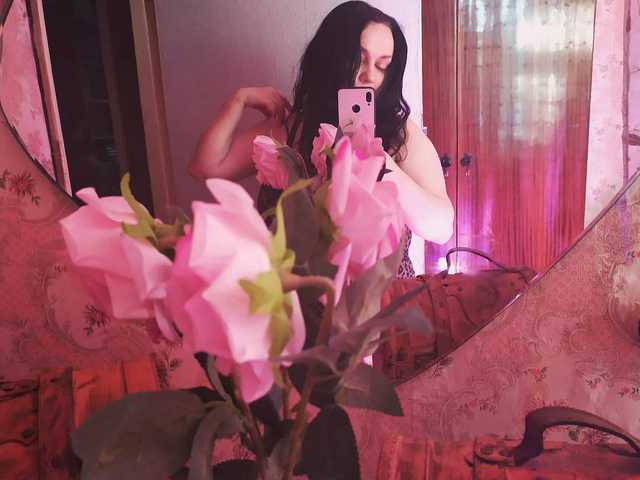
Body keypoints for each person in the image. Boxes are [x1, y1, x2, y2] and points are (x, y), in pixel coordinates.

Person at [189, 1, 454, 276]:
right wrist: (238, 100)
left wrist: (378, 161)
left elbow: (440, 228)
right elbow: (204, 168)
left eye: (382, 65)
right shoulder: (292, 129)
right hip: (295, 296)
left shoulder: (398, 133)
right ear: (331, 58)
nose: (370, 75)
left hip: (383, 297)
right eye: (359, 59)